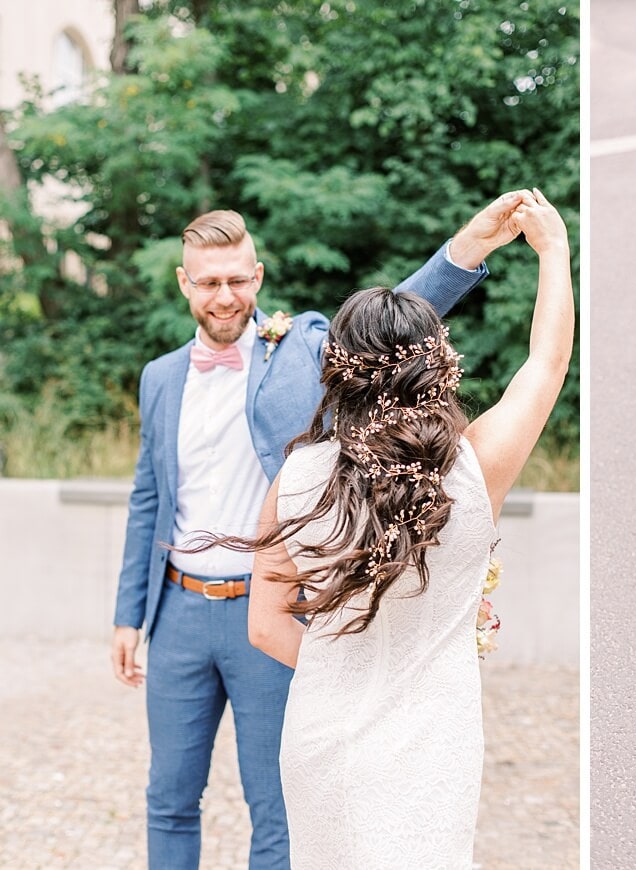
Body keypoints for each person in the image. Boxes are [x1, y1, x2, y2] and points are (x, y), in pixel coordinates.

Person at [109, 191, 526, 869]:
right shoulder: (159, 379)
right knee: (169, 796)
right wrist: (130, 615)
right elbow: (147, 498)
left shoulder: (298, 351)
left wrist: (470, 246)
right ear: (184, 282)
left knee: (277, 805)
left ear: (259, 276)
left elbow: (394, 323)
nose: (225, 296)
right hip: (178, 610)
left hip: (269, 607)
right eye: (209, 282)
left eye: (238, 280)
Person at [210, 188, 570, 867]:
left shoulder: (295, 479)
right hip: (435, 739)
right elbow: (546, 365)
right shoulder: (474, 468)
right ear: (432, 365)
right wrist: (553, 252)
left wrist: (345, 665)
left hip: (321, 736)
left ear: (338, 370)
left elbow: (266, 625)